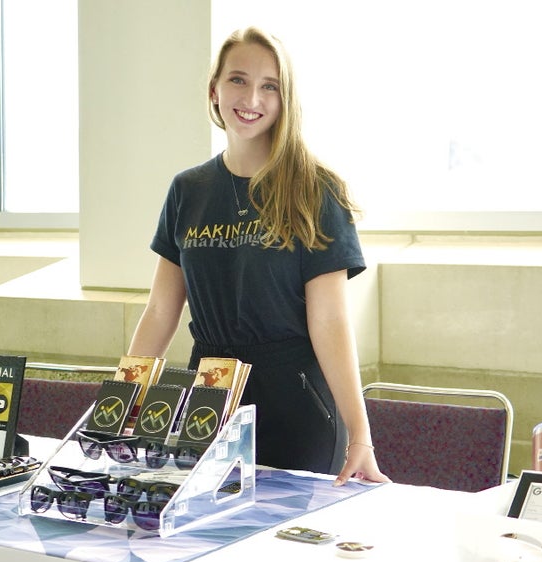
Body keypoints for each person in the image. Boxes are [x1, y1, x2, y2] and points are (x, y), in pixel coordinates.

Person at [127, 26, 388, 486]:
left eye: (270, 86)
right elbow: (160, 308)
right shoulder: (188, 190)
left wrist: (361, 436)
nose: (252, 97)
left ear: (285, 99)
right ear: (214, 89)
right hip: (208, 400)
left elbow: (329, 322)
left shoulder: (315, 190)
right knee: (201, 544)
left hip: (297, 405)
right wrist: (126, 394)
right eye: (238, 80)